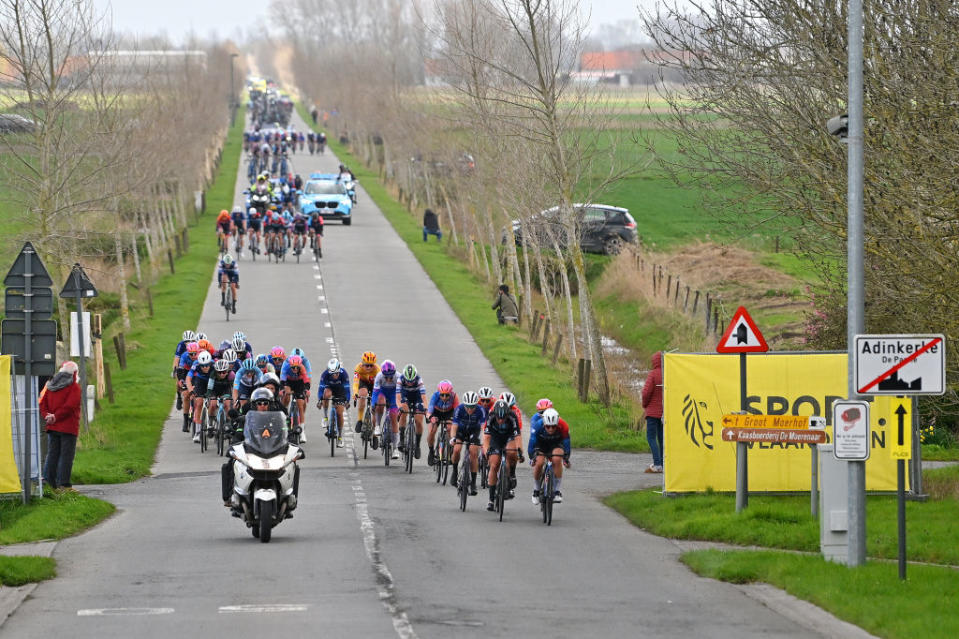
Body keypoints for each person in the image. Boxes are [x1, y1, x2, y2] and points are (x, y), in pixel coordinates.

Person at [40, 361, 81, 493]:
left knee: (52, 454)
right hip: (68, 427)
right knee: (66, 456)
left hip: (52, 426)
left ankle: (49, 483)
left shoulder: (51, 385)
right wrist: (56, 416)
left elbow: (42, 403)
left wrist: (47, 416)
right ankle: (64, 485)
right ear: (74, 373)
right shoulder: (74, 387)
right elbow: (70, 406)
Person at [483, 400, 522, 511]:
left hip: (509, 437)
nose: (500, 420)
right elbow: (486, 438)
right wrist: (486, 451)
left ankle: (511, 474)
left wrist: (520, 451)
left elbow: (518, 437)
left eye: (503, 418)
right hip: (495, 438)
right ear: (495, 414)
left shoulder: (512, 416)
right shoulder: (490, 416)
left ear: (507, 414)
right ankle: (491, 499)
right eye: (498, 418)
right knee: (494, 465)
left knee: (512, 452)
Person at [528, 407, 571, 504]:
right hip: (541, 444)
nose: (551, 429)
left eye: (553, 426)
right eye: (548, 426)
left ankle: (557, 491)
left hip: (556, 444)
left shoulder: (563, 425)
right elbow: (532, 443)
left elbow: (567, 442)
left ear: (557, 424)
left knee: (557, 459)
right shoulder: (537, 425)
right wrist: (532, 457)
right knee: (539, 463)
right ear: (544, 424)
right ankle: (536, 490)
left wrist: (566, 458)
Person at [450, 391, 485, 496]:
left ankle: (473, 483)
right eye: (468, 406)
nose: (470, 409)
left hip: (474, 432)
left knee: (473, 453)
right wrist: (452, 438)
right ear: (464, 404)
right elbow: (454, 426)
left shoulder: (480, 410)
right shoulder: (459, 409)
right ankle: (455, 471)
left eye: (472, 406)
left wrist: (483, 441)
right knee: (456, 450)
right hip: (461, 431)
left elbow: (484, 428)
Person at [317, 358, 351, 448]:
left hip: (340, 390)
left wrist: (347, 400)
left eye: (336, 373)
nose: (334, 376)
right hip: (330, 388)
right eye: (332, 374)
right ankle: (325, 417)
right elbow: (320, 389)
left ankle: (340, 436)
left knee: (340, 413)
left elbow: (347, 390)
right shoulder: (325, 375)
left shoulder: (344, 374)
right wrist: (320, 400)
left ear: (339, 371)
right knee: (326, 394)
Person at [396, 364, 427, 459]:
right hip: (405, 397)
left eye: (412, 381)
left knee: (418, 420)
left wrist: (425, 410)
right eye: (408, 381)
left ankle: (417, 445)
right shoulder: (400, 380)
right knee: (404, 410)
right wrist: (400, 407)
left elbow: (424, 398)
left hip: (417, 398)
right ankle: (401, 439)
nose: (409, 383)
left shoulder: (419, 380)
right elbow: (397, 397)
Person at [641, 351, 664, 473]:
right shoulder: (668, 374)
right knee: (661, 437)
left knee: (651, 437)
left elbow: (646, 393)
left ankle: (657, 464)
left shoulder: (653, 374)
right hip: (664, 412)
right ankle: (663, 463)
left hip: (652, 413)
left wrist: (645, 405)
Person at [426, 380, 458, 466]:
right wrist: (430, 417)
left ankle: (451, 451)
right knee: (432, 431)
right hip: (437, 412)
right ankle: (431, 451)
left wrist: (455, 421)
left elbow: (457, 412)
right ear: (439, 393)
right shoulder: (435, 396)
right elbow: (429, 410)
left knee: (450, 428)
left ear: (450, 393)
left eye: (447, 395)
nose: (444, 397)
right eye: (442, 395)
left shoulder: (454, 396)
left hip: (448, 413)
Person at [352, 351, 379, 434]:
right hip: (363, 383)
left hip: (374, 384)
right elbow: (356, 383)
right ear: (362, 363)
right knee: (363, 394)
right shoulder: (358, 368)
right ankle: (359, 420)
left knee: (375, 407)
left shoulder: (378, 370)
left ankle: (374, 432)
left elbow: (380, 385)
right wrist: (355, 393)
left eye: (371, 365)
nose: (369, 367)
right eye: (367, 365)